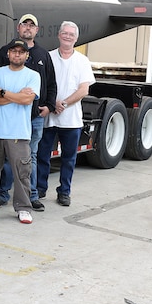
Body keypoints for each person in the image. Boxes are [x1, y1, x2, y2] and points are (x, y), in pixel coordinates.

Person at [0, 14, 57, 212]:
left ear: (36, 30)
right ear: (18, 28)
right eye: (24, 25)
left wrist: (49, 106)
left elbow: (51, 83)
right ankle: (2, 195)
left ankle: (31, 197)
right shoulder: (4, 52)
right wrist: (13, 95)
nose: (28, 28)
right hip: (3, 119)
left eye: (32, 25)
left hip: (33, 118)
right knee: (2, 161)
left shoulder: (43, 55)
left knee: (28, 160)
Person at [0, 39, 41, 224]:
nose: (17, 54)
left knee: (22, 171)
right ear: (8, 54)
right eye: (14, 51)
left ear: (26, 55)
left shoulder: (33, 75)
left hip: (19, 133)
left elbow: (27, 101)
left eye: (21, 52)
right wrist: (17, 95)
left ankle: (23, 207)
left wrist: (4, 93)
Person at [37, 21, 96, 207]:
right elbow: (42, 83)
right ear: (59, 35)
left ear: (76, 38)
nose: (67, 36)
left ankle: (64, 192)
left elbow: (84, 89)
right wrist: (52, 103)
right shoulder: (48, 57)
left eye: (71, 34)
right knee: (42, 156)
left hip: (71, 119)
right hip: (49, 117)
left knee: (68, 159)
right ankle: (39, 189)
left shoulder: (82, 61)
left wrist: (63, 103)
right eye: (65, 33)